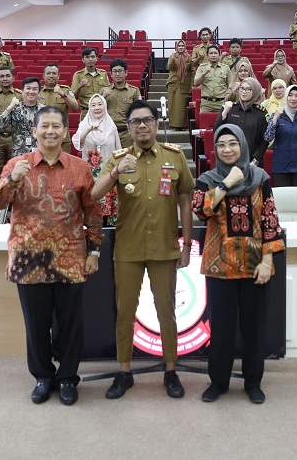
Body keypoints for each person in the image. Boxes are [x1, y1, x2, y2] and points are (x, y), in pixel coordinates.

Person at [0, 106, 101, 406]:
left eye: (56, 126)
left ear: (66, 132)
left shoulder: (80, 168)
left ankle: (67, 378)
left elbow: (93, 213)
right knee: (36, 325)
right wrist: (12, 179)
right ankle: (42, 376)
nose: (50, 131)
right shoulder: (17, 164)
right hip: (28, 259)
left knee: (69, 325)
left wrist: (93, 250)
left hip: (70, 257)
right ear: (34, 131)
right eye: (44, 126)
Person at [93, 100, 195, 401]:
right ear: (128, 126)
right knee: (125, 312)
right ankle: (124, 372)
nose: (141, 126)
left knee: (167, 312)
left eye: (147, 120)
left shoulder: (174, 158)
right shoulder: (119, 158)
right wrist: (114, 173)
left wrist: (186, 244)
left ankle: (170, 370)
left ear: (155, 123)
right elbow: (95, 194)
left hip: (164, 247)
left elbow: (186, 202)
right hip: (128, 248)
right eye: (135, 121)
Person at [192, 124, 284, 404]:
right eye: (221, 145)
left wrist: (268, 260)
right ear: (215, 149)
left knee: (254, 328)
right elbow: (201, 211)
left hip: (255, 265)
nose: (227, 149)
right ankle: (218, 382)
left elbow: (270, 219)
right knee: (221, 329)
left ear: (242, 146)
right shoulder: (207, 179)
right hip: (220, 266)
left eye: (233, 143)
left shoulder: (260, 178)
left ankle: (253, 382)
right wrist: (226, 183)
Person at [73, 93, 121, 221]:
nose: (97, 107)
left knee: (109, 211)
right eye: (93, 105)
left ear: (105, 106)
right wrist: (89, 129)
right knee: (92, 209)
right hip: (91, 171)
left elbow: (118, 150)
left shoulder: (111, 126)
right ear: (89, 108)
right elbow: (77, 143)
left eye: (100, 104)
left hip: (109, 171)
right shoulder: (84, 125)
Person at [264, 85, 297, 187]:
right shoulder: (277, 115)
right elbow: (268, 138)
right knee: (282, 200)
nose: (293, 99)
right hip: (281, 166)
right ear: (286, 96)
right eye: (290, 95)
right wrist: (275, 118)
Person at [217, 78, 269, 167]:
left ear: (255, 91)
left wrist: (255, 160)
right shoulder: (230, 108)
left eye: (248, 89)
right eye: (241, 88)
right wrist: (224, 114)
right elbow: (217, 132)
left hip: (251, 162)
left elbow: (264, 140)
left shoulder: (261, 113)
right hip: (229, 160)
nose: (244, 92)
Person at [0, 66, 23, 173]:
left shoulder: (20, 96)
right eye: (1, 76)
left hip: (15, 138)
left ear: (13, 78)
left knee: (15, 169)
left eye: (8, 76)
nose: (5, 79)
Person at [0, 76, 44, 158]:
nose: (31, 91)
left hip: (39, 154)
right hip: (19, 155)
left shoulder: (44, 110)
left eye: (34, 89)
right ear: (22, 91)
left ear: (39, 92)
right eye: (28, 88)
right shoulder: (14, 109)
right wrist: (9, 108)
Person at [38, 63, 79, 152]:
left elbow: (75, 107)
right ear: (43, 76)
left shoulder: (65, 90)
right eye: (48, 73)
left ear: (59, 76)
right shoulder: (38, 92)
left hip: (61, 138)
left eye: (54, 73)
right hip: (43, 137)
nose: (51, 76)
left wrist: (63, 95)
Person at [103, 59, 141, 148]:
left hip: (127, 134)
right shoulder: (104, 91)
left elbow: (139, 112)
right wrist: (103, 96)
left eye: (120, 71)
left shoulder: (134, 91)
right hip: (108, 132)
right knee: (109, 160)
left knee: (127, 158)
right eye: (115, 71)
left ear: (126, 72)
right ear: (111, 74)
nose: (117, 74)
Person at [194, 45, 233, 113]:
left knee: (223, 123)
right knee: (204, 122)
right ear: (207, 55)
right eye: (211, 53)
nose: (213, 55)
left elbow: (231, 86)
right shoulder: (202, 67)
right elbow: (196, 83)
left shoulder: (225, 68)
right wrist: (204, 74)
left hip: (221, 103)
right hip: (206, 103)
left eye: (215, 53)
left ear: (219, 55)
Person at [166, 40, 192, 130]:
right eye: (179, 46)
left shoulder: (189, 57)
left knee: (182, 106)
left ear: (185, 47)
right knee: (173, 105)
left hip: (184, 84)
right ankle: (173, 124)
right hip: (173, 83)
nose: (181, 47)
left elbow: (192, 71)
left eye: (182, 46)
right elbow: (169, 67)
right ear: (176, 47)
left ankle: (183, 125)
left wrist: (192, 85)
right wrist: (172, 59)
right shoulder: (172, 56)